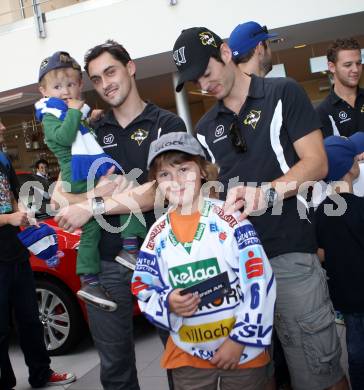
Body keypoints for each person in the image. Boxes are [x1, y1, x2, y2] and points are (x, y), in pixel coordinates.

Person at [172, 27, 348, 390]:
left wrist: (266, 193)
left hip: (290, 258)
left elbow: (316, 163)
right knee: (255, 375)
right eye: (194, 81)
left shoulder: (283, 93)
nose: (204, 86)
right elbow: (213, 193)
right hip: (240, 270)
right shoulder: (205, 128)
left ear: (224, 53)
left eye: (206, 73)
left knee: (319, 373)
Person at [53, 40, 187, 390]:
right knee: (115, 370)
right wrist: (92, 194)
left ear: (130, 68)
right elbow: (58, 196)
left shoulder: (166, 123)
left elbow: (159, 190)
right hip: (106, 265)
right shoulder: (91, 130)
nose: (104, 83)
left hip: (164, 258)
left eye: (110, 72)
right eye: (95, 79)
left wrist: (93, 206)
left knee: (182, 357)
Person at [132, 131, 276, 390]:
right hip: (187, 358)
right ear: (156, 182)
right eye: (165, 174)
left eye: (184, 169)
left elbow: (259, 280)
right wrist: (168, 302)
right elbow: (142, 286)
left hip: (242, 353)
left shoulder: (232, 219)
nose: (176, 181)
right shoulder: (155, 236)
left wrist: (240, 339)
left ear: (202, 171)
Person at [35, 50, 147, 312]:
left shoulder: (69, 111)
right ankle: (127, 250)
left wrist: (88, 118)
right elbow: (64, 138)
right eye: (58, 86)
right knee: (122, 188)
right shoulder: (50, 114)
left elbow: (80, 137)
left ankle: (91, 278)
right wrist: (77, 114)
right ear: (44, 91)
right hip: (78, 174)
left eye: (71, 84)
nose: (65, 91)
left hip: (85, 172)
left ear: (79, 85)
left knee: (95, 225)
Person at [0, 120, 76, 389]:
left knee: (31, 320)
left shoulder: (3, 158)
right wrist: (9, 218)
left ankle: (41, 374)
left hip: (17, 253)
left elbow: (12, 195)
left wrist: (22, 213)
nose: (1, 127)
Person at [315, 132, 364, 390]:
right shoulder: (361, 206)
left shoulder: (319, 213)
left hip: (344, 296)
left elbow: (320, 253)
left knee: (356, 352)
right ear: (351, 167)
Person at [316, 37, 364, 138]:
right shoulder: (323, 112)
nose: (355, 69)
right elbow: (329, 150)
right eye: (348, 65)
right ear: (332, 67)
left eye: (358, 63)